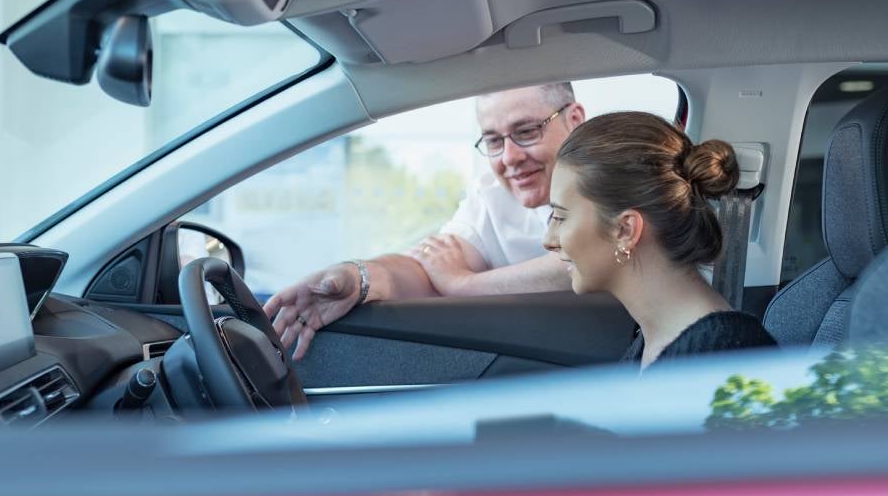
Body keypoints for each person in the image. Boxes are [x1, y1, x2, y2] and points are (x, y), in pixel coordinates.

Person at [267, 83, 585, 359]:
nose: (509, 157)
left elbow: (585, 259)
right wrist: (358, 278)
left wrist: (464, 286)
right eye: (493, 141)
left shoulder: (611, 175)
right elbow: (429, 268)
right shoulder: (490, 197)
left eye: (527, 132)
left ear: (574, 120)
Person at [543, 111, 775, 370]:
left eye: (560, 217)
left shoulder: (719, 356)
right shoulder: (658, 339)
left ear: (625, 229)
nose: (548, 240)